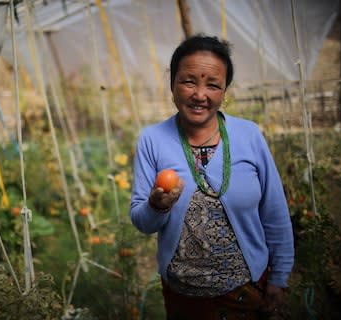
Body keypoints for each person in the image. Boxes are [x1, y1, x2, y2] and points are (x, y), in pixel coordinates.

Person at [130, 34, 294, 319]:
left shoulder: (249, 135)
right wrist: (157, 206)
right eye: (189, 81)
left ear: (224, 91)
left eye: (213, 84)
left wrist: (279, 277)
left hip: (248, 288)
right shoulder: (152, 139)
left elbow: (275, 212)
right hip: (184, 296)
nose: (200, 94)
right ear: (173, 84)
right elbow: (142, 222)